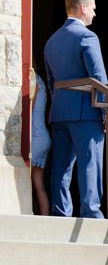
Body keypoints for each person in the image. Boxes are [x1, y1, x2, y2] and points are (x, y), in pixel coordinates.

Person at [44, 0, 108, 218]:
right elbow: (98, 78)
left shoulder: (51, 41)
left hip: (60, 112)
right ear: (83, 8)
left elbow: (52, 81)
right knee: (90, 163)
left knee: (61, 166)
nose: (94, 13)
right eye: (93, 8)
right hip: (87, 111)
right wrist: (105, 113)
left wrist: (59, 104)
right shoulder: (87, 37)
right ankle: (91, 213)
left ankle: (61, 212)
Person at [31, 72, 51, 216]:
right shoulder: (41, 80)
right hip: (43, 137)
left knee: (22, 178)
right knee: (38, 184)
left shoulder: (33, 79)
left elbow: (28, 107)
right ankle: (45, 219)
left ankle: (27, 214)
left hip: (35, 137)